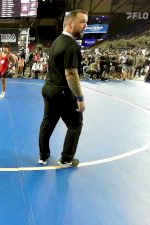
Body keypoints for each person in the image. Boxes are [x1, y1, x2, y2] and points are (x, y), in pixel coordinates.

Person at [38, 10, 88, 168]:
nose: (85, 25)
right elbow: (71, 74)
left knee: (48, 123)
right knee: (75, 124)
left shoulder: (57, 41)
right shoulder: (71, 45)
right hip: (62, 91)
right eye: (82, 22)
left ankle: (43, 156)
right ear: (71, 23)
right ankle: (66, 159)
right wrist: (80, 98)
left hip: (48, 88)